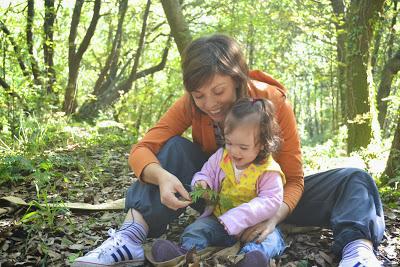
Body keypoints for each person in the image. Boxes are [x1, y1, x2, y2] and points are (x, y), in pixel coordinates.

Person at [73, 34, 385, 267]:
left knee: (354, 179)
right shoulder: (191, 106)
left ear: (237, 80)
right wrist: (161, 177)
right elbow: (143, 149)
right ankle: (129, 237)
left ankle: (357, 252)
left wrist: (273, 217)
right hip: (218, 196)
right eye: (199, 96)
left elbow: (293, 179)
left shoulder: (271, 102)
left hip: (271, 196)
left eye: (218, 91)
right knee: (170, 151)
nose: (210, 104)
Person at [151, 98, 286, 265]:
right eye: (229, 143)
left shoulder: (268, 170)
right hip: (219, 220)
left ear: (262, 145)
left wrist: (236, 218)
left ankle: (249, 260)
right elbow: (206, 172)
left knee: (271, 240)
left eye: (243, 147)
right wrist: (202, 182)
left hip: (255, 226)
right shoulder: (222, 157)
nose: (234, 151)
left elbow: (271, 200)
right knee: (197, 229)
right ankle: (185, 252)